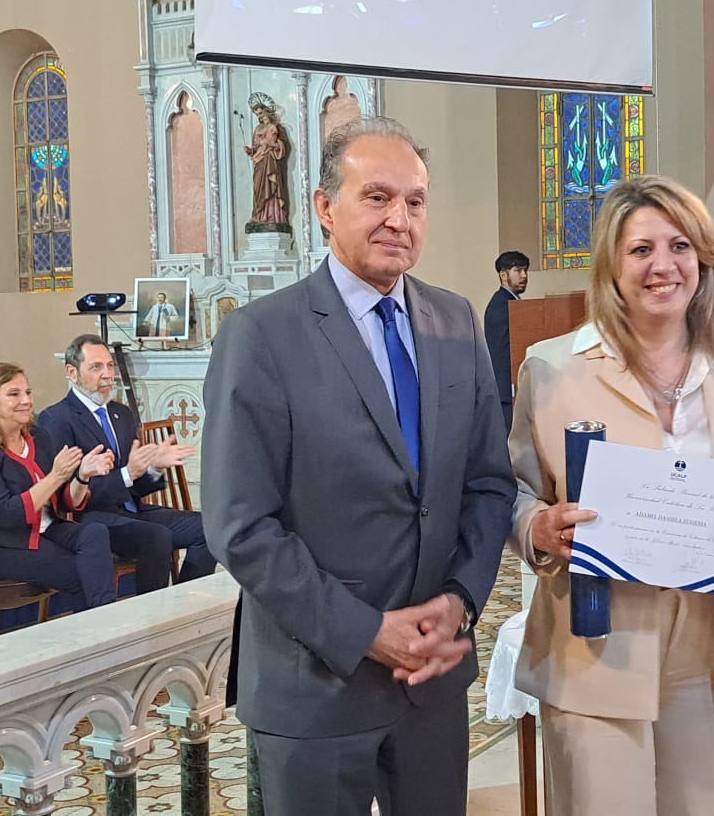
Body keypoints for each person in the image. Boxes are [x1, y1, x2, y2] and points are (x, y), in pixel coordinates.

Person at [202, 116, 515, 815]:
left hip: (431, 683)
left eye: (414, 201)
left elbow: (487, 484)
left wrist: (459, 602)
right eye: (376, 197)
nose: (398, 218)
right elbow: (240, 525)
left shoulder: (454, 321)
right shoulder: (260, 336)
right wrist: (366, 631)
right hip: (314, 682)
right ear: (322, 207)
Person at [510, 175, 714, 816]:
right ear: (612, 265)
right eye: (640, 249)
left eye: (680, 246)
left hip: (712, 639)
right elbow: (514, 492)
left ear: (702, 260)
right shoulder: (553, 368)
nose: (662, 266)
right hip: (598, 639)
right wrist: (537, 527)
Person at [38, 335, 216, 593]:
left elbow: (134, 486)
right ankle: (151, 617)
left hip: (132, 510)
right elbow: (65, 494)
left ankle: (183, 601)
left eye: (110, 366)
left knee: (210, 527)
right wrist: (127, 474)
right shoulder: (57, 419)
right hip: (90, 519)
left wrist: (153, 468)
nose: (108, 375)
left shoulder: (121, 415)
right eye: (96, 367)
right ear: (71, 373)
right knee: (155, 536)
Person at [0, 362, 117, 610]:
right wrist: (55, 476)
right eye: (14, 394)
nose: (26, 401)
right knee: (81, 571)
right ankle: (103, 634)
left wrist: (82, 475)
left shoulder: (38, 438)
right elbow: (7, 515)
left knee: (95, 532)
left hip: (44, 530)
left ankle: (104, 631)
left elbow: (63, 501)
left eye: (27, 393)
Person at [484, 249, 530, 431]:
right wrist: (512, 387)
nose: (524, 276)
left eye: (525, 271)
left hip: (514, 387)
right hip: (507, 390)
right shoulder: (501, 305)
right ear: (503, 275)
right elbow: (501, 351)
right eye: (518, 271)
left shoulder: (514, 303)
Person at [243, 92, 291, 226]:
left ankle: (274, 216)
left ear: (267, 112)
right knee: (259, 188)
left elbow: (283, 146)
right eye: (257, 114)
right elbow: (256, 146)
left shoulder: (276, 128)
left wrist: (272, 144)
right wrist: (251, 150)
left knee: (272, 186)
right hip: (260, 162)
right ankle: (259, 215)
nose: (260, 116)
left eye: (261, 113)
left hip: (271, 161)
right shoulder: (258, 129)